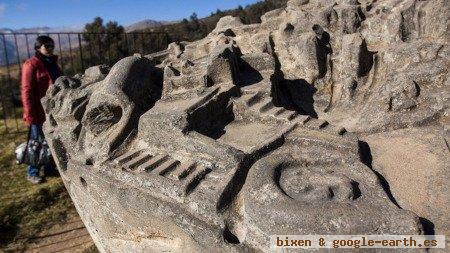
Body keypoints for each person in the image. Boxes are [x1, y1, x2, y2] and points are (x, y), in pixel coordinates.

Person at [21, 35, 62, 184]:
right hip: (38, 111)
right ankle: (33, 171)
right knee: (36, 142)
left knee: (50, 140)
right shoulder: (31, 64)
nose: (51, 48)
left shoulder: (52, 63)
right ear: (38, 48)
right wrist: (29, 114)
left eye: (52, 45)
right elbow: (26, 90)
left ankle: (50, 168)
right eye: (47, 46)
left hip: (52, 109)